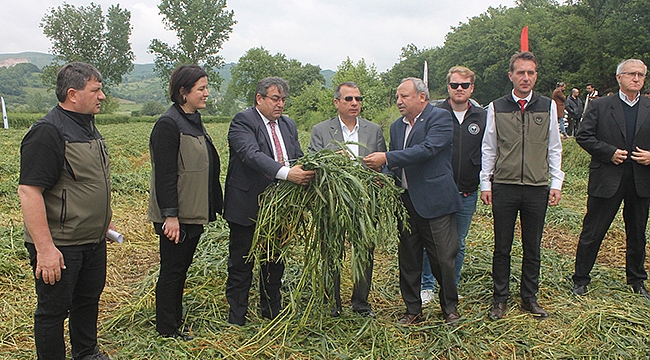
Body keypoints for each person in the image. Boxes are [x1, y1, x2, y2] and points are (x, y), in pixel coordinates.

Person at [18, 62, 114, 360]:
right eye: (96, 90)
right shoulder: (48, 132)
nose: (103, 97)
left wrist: (102, 225)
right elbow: (29, 191)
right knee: (53, 311)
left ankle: (86, 353)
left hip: (92, 240)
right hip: (61, 245)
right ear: (73, 94)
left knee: (87, 301)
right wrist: (46, 249)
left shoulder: (88, 127)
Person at [364, 77, 462, 325]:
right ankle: (412, 310)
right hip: (406, 203)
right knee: (408, 259)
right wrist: (384, 177)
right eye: (397, 97)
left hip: (435, 202)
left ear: (422, 97)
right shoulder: (397, 126)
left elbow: (427, 150)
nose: (399, 101)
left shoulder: (439, 118)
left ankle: (449, 307)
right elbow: (396, 165)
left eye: (404, 96)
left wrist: (386, 158)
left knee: (443, 259)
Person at [223, 77, 315, 326]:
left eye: (284, 99)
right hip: (248, 205)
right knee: (242, 263)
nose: (281, 104)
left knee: (274, 262)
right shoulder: (244, 121)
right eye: (276, 98)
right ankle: (237, 317)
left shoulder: (287, 125)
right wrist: (287, 174)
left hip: (281, 208)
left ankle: (272, 311)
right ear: (259, 98)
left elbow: (296, 156)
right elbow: (251, 155)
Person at [480, 51, 564, 320]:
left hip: (537, 186)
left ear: (536, 75)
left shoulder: (547, 106)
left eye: (530, 73)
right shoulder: (496, 107)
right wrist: (486, 182)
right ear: (511, 76)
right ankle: (499, 299)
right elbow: (489, 147)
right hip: (504, 184)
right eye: (520, 72)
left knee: (533, 245)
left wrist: (556, 181)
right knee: (502, 246)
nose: (525, 77)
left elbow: (554, 146)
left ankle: (529, 297)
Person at [148, 65, 223, 340]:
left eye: (206, 87)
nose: (206, 93)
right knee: (172, 270)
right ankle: (167, 329)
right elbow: (165, 175)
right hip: (177, 217)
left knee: (181, 269)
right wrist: (170, 216)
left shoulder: (193, 119)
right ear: (183, 92)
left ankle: (174, 319)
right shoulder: (168, 124)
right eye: (201, 88)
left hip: (192, 212)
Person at [572, 59, 650, 300]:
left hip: (640, 180)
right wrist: (609, 152)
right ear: (619, 78)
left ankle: (636, 280)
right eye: (631, 74)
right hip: (608, 177)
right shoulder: (600, 105)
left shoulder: (648, 107)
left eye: (641, 75)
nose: (636, 79)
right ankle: (580, 279)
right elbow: (583, 136)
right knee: (593, 231)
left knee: (637, 233)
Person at [308, 82, 386, 317]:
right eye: (349, 99)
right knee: (331, 250)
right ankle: (332, 302)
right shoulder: (321, 130)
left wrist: (379, 181)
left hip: (364, 203)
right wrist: (332, 159)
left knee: (364, 252)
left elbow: (383, 166)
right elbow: (312, 162)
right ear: (337, 102)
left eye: (358, 99)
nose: (355, 103)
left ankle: (361, 303)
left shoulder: (373, 131)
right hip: (332, 202)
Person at [420, 66, 487, 304]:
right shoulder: (434, 114)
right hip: (437, 191)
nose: (460, 89)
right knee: (432, 242)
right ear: (447, 87)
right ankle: (426, 285)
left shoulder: (482, 116)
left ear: (472, 88)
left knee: (457, 243)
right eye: (454, 85)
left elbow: (489, 151)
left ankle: (451, 286)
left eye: (465, 85)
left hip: (466, 191)